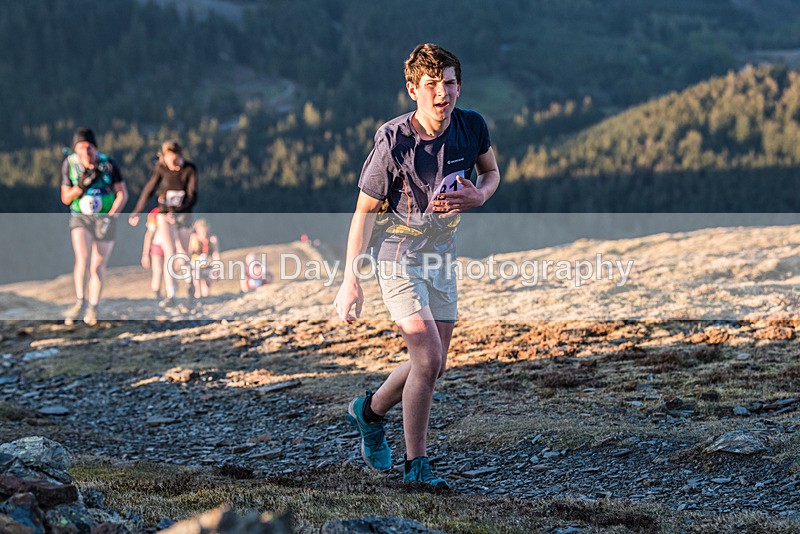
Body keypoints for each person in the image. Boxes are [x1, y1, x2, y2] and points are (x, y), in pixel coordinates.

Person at [333, 44, 500, 488]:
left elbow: (491, 173)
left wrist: (479, 195)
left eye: (449, 84)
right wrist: (351, 278)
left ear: (458, 85)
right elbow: (363, 213)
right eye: (431, 86)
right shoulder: (393, 141)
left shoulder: (472, 125)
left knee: (434, 363)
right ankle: (417, 467)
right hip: (398, 256)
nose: (442, 94)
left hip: (442, 254)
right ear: (413, 89)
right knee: (427, 358)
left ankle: (368, 412)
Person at [61, 127, 128, 326]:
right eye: (80, 149)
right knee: (82, 258)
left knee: (98, 265)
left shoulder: (108, 164)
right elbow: (65, 198)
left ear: (94, 148)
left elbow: (122, 193)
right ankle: (80, 301)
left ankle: (93, 306)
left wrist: (112, 216)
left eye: (88, 148)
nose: (85, 153)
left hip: (104, 218)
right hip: (81, 217)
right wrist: (80, 186)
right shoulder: (70, 165)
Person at [128, 140, 198, 308]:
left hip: (183, 215)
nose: (171, 164)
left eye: (174, 160)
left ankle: (189, 284)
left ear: (180, 156)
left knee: (183, 253)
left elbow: (192, 196)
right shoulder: (161, 168)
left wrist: (178, 212)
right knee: (170, 252)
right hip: (164, 214)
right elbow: (149, 189)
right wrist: (137, 211)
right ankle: (171, 294)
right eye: (168, 160)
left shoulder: (189, 169)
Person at [188, 218, 220, 299]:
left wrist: (216, 268)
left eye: (204, 230)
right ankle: (198, 294)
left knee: (207, 281)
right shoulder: (193, 238)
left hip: (207, 263)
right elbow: (189, 252)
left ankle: (206, 297)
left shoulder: (212, 239)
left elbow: (215, 254)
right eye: (201, 230)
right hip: (196, 263)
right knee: (197, 276)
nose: (203, 232)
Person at [141, 208, 165, 302]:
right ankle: (157, 294)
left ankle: (170, 294)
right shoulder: (155, 213)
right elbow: (149, 235)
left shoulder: (177, 210)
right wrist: (145, 255)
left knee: (170, 271)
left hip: (170, 246)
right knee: (158, 271)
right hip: (157, 245)